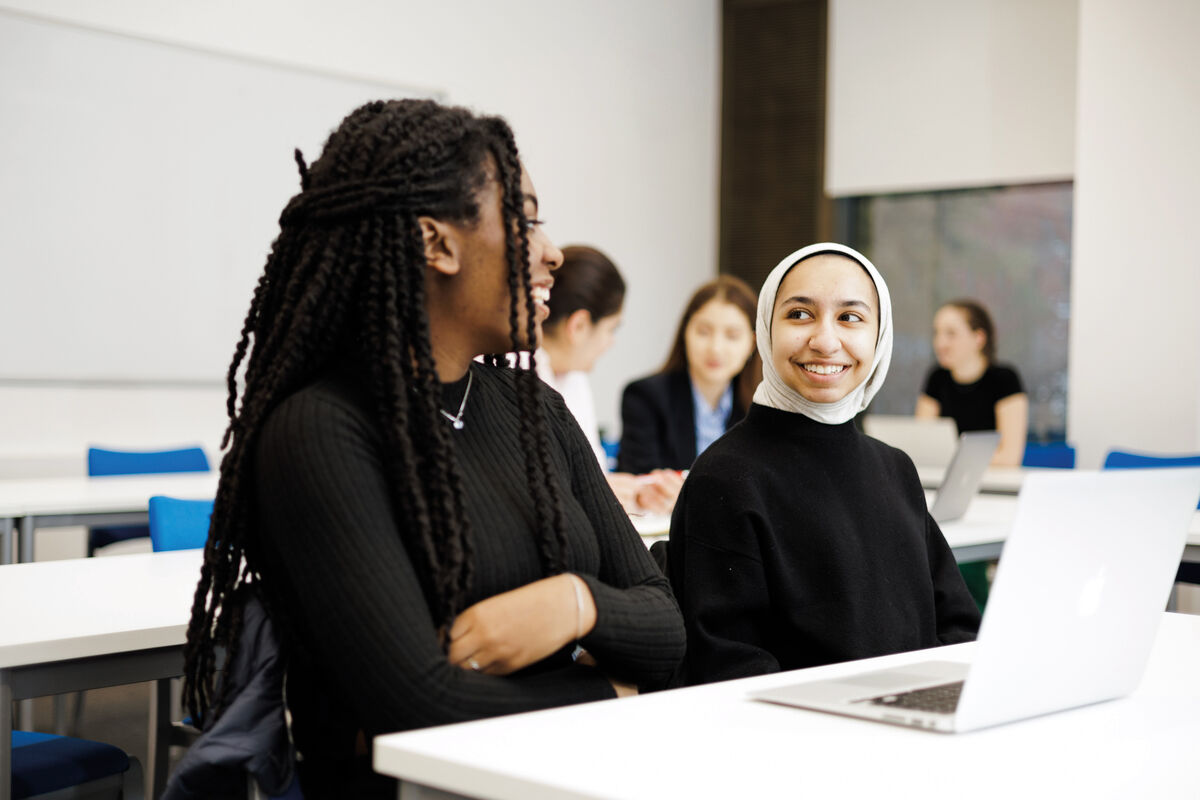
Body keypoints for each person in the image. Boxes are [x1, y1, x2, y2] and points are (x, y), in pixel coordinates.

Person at [180, 99, 685, 797]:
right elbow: (419, 709)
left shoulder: (533, 408)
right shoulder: (321, 431)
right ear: (436, 243)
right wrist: (617, 695)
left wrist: (579, 605)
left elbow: (665, 621)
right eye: (527, 218)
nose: (552, 252)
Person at [668, 243, 980, 686]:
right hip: (807, 740)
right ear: (766, 329)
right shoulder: (726, 477)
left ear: (880, 335)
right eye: (799, 314)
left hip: (915, 727)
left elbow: (960, 628)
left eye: (850, 317)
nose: (825, 341)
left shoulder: (895, 470)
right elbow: (729, 667)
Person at [536, 244, 682, 513]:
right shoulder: (512, 377)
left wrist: (634, 494)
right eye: (610, 329)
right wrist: (599, 493)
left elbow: (591, 476)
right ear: (578, 326)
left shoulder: (573, 379)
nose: (610, 343)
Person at [617, 275, 760, 474]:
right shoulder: (644, 397)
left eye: (732, 336)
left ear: (752, 344)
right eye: (703, 332)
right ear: (686, 332)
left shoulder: (761, 408)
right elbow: (639, 481)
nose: (716, 348)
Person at [915, 300, 1028, 466]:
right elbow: (922, 443)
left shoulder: (1005, 379)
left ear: (978, 338)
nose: (940, 343)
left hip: (993, 483)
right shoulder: (937, 378)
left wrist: (949, 459)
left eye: (951, 334)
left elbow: (1010, 457)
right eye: (937, 333)